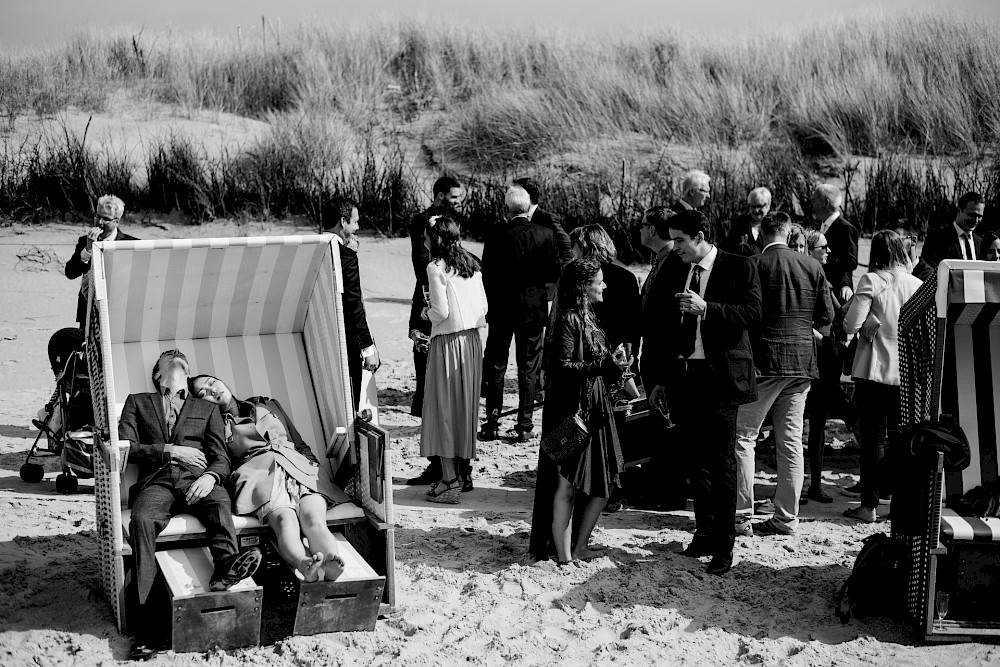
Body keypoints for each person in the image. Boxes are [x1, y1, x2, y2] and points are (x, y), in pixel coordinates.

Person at [118, 350, 261, 660]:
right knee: (141, 520)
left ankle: (225, 568)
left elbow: (220, 456)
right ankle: (147, 628)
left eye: (181, 356)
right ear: (157, 374)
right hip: (156, 481)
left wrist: (210, 476)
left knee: (219, 499)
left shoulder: (205, 408)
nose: (176, 356)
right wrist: (170, 450)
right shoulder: (137, 402)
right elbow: (127, 447)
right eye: (169, 356)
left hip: (197, 481)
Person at [647, 210, 762, 576]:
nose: (675, 246)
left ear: (699, 236)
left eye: (680, 240)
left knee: (722, 462)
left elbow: (754, 313)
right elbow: (663, 324)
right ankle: (705, 532)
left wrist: (707, 309)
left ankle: (724, 545)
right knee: (695, 461)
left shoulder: (738, 265)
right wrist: (663, 379)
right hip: (684, 376)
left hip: (722, 378)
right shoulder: (674, 267)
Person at [189, 374, 350, 582]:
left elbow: (298, 442)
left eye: (212, 383)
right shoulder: (213, 426)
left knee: (314, 519)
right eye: (204, 394)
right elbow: (222, 461)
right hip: (258, 476)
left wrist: (313, 468)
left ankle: (331, 566)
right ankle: (305, 565)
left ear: (222, 381)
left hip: (299, 466)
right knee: (285, 521)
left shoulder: (268, 405)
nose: (213, 391)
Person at [733, 213, 833, 536]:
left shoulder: (754, 264)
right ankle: (787, 517)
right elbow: (827, 318)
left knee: (743, 437)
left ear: (762, 233)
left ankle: (740, 515)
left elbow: (746, 314)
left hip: (764, 362)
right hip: (801, 363)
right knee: (790, 443)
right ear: (789, 233)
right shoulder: (812, 266)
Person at [530, 257, 629, 563]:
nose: (605, 285)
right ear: (584, 287)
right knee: (566, 484)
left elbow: (591, 362)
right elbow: (561, 367)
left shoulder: (588, 316)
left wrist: (614, 364)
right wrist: (605, 364)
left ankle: (578, 546)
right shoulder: (568, 318)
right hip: (574, 411)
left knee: (604, 480)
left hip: (595, 407)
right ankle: (563, 556)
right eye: (599, 281)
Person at [842, 230, 923, 523]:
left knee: (872, 441)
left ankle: (869, 505)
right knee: (901, 441)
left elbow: (851, 324)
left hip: (873, 371)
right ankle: (898, 502)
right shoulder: (917, 284)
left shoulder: (872, 280)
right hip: (906, 374)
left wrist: (865, 324)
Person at [481, 184, 561, 441]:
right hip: (532, 308)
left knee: (496, 365)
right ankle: (525, 424)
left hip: (502, 307)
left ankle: (492, 420)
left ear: (508, 208)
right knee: (528, 368)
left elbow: (488, 273)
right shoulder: (545, 235)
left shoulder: (495, 234)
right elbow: (551, 273)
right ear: (528, 207)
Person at [419, 215, 489, 503]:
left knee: (443, 409)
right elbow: (484, 305)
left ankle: (449, 479)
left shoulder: (435, 268)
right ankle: (460, 474)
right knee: (464, 409)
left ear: (434, 239)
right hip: (472, 342)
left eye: (425, 236)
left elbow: (441, 312)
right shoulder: (472, 265)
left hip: (447, 343)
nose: (422, 241)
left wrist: (426, 315)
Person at [405, 176, 465, 487]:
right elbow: (420, 265)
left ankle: (449, 469)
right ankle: (442, 466)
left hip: (444, 314)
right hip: (433, 305)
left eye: (459, 197)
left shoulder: (455, 224)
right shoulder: (421, 223)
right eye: (453, 197)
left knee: (441, 395)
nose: (458, 201)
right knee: (430, 389)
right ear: (439, 195)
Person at [803, 229, 857, 503]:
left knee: (818, 423)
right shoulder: (809, 276)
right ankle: (808, 485)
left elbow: (840, 313)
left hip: (828, 355)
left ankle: (813, 485)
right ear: (809, 249)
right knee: (813, 421)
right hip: (818, 355)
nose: (828, 252)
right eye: (822, 247)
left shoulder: (823, 276)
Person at [322, 197, 380, 409]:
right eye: (355, 222)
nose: (357, 227)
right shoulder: (346, 256)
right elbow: (353, 304)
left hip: (315, 337)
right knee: (347, 401)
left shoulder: (310, 249)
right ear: (343, 221)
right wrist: (367, 348)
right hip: (343, 338)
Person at [569, 224, 641, 375]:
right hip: (620, 356)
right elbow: (634, 322)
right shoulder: (626, 276)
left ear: (584, 246)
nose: (571, 252)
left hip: (587, 358)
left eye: (573, 246)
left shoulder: (576, 276)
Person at [65, 194, 138, 326]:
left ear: (117, 221)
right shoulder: (84, 241)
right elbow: (70, 272)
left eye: (106, 219)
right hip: (88, 312)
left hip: (119, 310)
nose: (99, 223)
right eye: (97, 216)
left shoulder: (131, 243)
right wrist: (88, 249)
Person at [810, 184, 859, 303]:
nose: (812, 205)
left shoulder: (845, 228)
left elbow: (850, 261)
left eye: (814, 200)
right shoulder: (820, 225)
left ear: (825, 203)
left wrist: (823, 259)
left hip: (836, 294)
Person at [513, 177, 573, 269]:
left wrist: (561, 275)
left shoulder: (547, 218)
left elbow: (565, 245)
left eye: (516, 193)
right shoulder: (516, 220)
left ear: (527, 196)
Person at [920, 192, 986, 269]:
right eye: (972, 215)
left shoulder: (982, 243)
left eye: (979, 216)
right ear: (959, 211)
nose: (976, 220)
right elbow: (926, 269)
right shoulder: (936, 239)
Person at [722, 187, 770, 256]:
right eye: (753, 206)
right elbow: (727, 249)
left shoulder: (773, 227)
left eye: (760, 206)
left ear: (768, 206)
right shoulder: (740, 225)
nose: (756, 210)